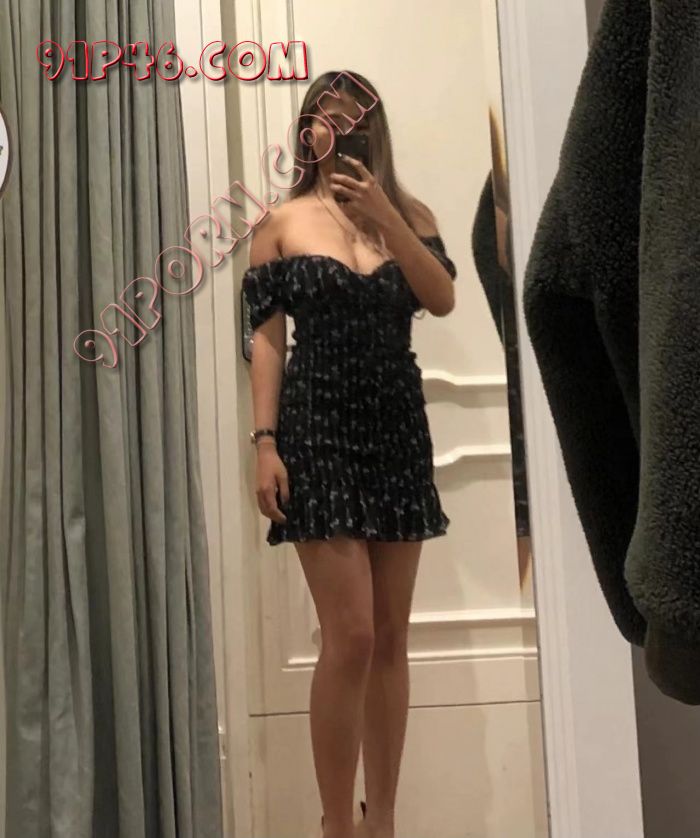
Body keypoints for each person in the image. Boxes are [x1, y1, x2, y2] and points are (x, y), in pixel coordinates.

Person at [242, 70, 458, 838]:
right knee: (353, 636)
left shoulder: (412, 218)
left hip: (396, 429)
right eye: (323, 119)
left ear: (374, 129)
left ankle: (382, 821)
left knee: (392, 638)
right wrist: (264, 443)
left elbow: (442, 297)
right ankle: (337, 823)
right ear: (307, 130)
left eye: (352, 120)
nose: (337, 132)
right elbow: (267, 342)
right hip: (315, 429)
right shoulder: (280, 223)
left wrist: (385, 217)